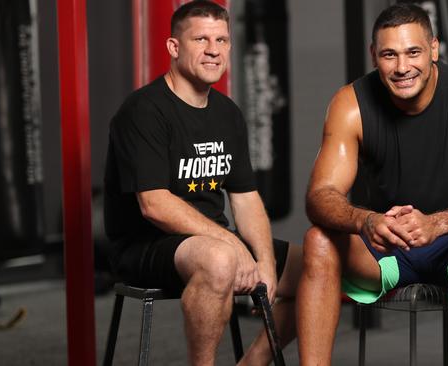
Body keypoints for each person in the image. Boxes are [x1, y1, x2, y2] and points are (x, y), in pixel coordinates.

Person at [297, 3, 448, 365]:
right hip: (385, 249)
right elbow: (319, 197)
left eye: (413, 52)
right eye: (390, 55)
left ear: (434, 49)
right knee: (317, 241)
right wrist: (366, 221)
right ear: (374, 55)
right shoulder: (350, 103)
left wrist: (437, 223)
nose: (402, 67)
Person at [103, 1, 301, 365]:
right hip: (146, 244)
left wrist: (266, 262)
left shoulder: (227, 113)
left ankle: (252, 363)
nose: (214, 50)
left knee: (319, 266)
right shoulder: (143, 111)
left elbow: (245, 198)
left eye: (222, 40)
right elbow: (155, 205)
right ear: (174, 47)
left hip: (210, 240)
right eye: (201, 39)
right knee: (221, 259)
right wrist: (233, 246)